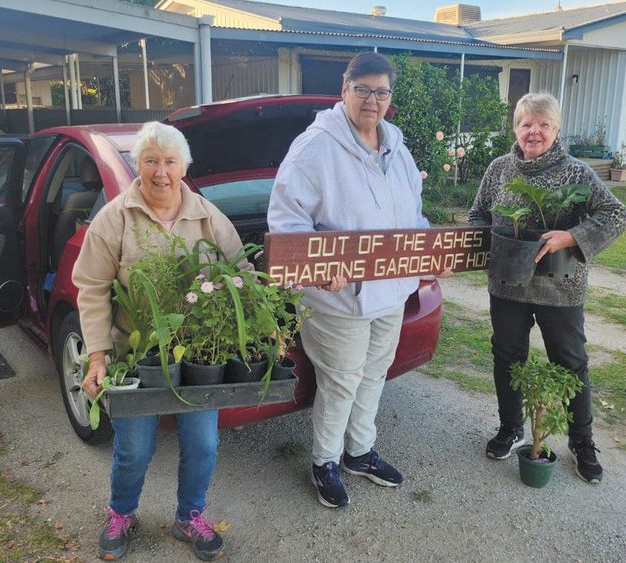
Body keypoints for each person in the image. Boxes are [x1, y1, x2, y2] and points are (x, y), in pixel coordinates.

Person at [268, 52, 444, 508]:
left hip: (392, 290)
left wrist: (430, 254)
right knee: (342, 381)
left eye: (381, 91)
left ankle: (360, 453)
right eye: (362, 89)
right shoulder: (314, 148)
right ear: (343, 90)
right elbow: (287, 223)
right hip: (338, 298)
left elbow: (414, 216)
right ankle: (324, 461)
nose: (372, 99)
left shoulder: (398, 150)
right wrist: (319, 268)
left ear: (390, 98)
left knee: (374, 375)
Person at [73, 121, 251, 560]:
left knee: (203, 443)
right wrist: (98, 357)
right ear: (138, 165)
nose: (160, 171)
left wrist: (259, 329)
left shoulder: (209, 217)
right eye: (150, 160)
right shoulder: (114, 218)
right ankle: (122, 513)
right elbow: (91, 287)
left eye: (170, 161)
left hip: (198, 355)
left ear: (184, 167)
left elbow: (242, 276)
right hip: (135, 354)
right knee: (133, 447)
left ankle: (189, 516)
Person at [468, 92, 626, 484]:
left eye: (542, 124)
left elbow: (616, 214)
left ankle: (582, 441)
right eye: (526, 124)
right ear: (516, 129)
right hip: (508, 285)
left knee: (570, 362)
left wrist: (572, 237)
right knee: (507, 358)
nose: (533, 131)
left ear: (556, 130)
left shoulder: (575, 173)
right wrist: (467, 251)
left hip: (561, 287)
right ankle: (511, 428)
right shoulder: (499, 169)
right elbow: (478, 214)